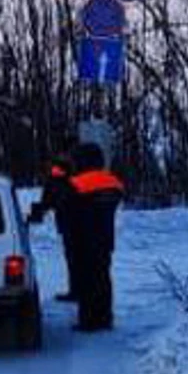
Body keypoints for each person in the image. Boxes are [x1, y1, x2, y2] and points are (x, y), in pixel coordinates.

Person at [63, 142, 126, 332]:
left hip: (81, 240)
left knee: (85, 280)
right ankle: (105, 317)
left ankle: (88, 321)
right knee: (103, 277)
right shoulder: (114, 183)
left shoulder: (75, 184)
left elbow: (67, 211)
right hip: (105, 238)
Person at [27, 153, 78, 302]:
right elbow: (47, 203)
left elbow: (47, 203)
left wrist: (36, 214)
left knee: (75, 260)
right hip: (73, 224)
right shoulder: (67, 179)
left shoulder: (57, 181)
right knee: (76, 260)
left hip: (72, 224)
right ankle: (77, 291)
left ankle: (77, 291)